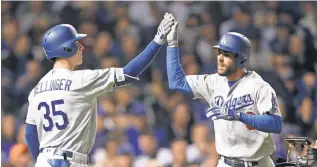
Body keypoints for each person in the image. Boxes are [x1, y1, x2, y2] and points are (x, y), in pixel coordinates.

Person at [24, 13, 174, 167]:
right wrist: (157, 41)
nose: (81, 47)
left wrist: (41, 160)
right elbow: (129, 73)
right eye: (76, 43)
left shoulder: (36, 90)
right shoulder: (81, 79)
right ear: (65, 48)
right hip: (70, 161)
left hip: (44, 161)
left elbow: (30, 135)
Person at [165, 13, 283, 167]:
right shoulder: (213, 82)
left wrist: (238, 115)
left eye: (226, 54)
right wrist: (172, 44)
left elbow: (275, 124)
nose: (220, 58)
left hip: (258, 163)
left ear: (242, 59)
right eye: (219, 52)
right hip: (225, 163)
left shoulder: (259, 86)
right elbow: (176, 82)